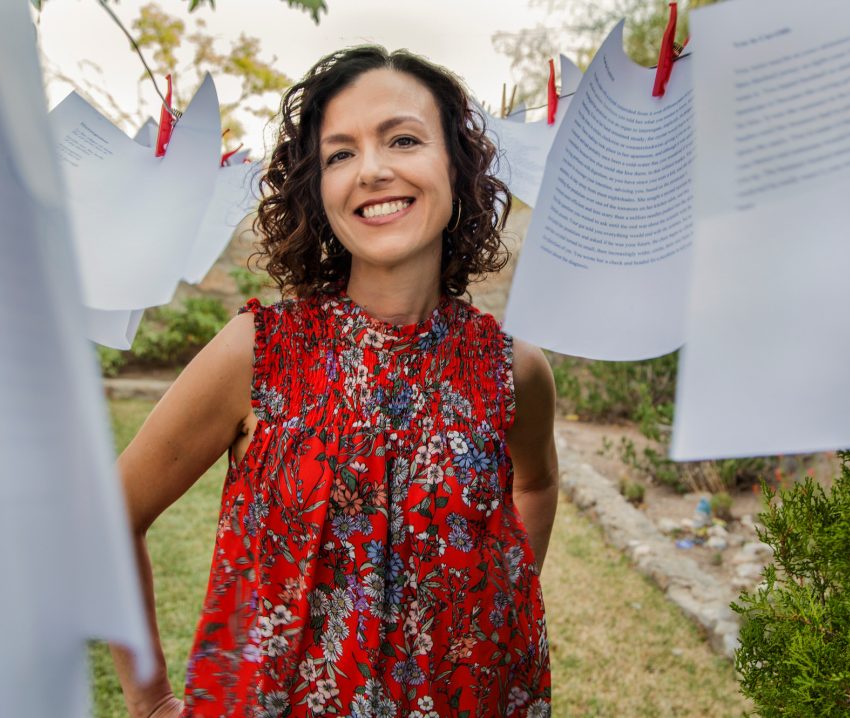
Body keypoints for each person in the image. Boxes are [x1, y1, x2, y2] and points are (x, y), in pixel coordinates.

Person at [111, 45, 559, 718]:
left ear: (456, 167)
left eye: (403, 139)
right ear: (316, 191)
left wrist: (499, 612)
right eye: (340, 154)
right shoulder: (258, 353)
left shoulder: (512, 370)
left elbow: (537, 482)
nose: (373, 170)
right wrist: (150, 702)